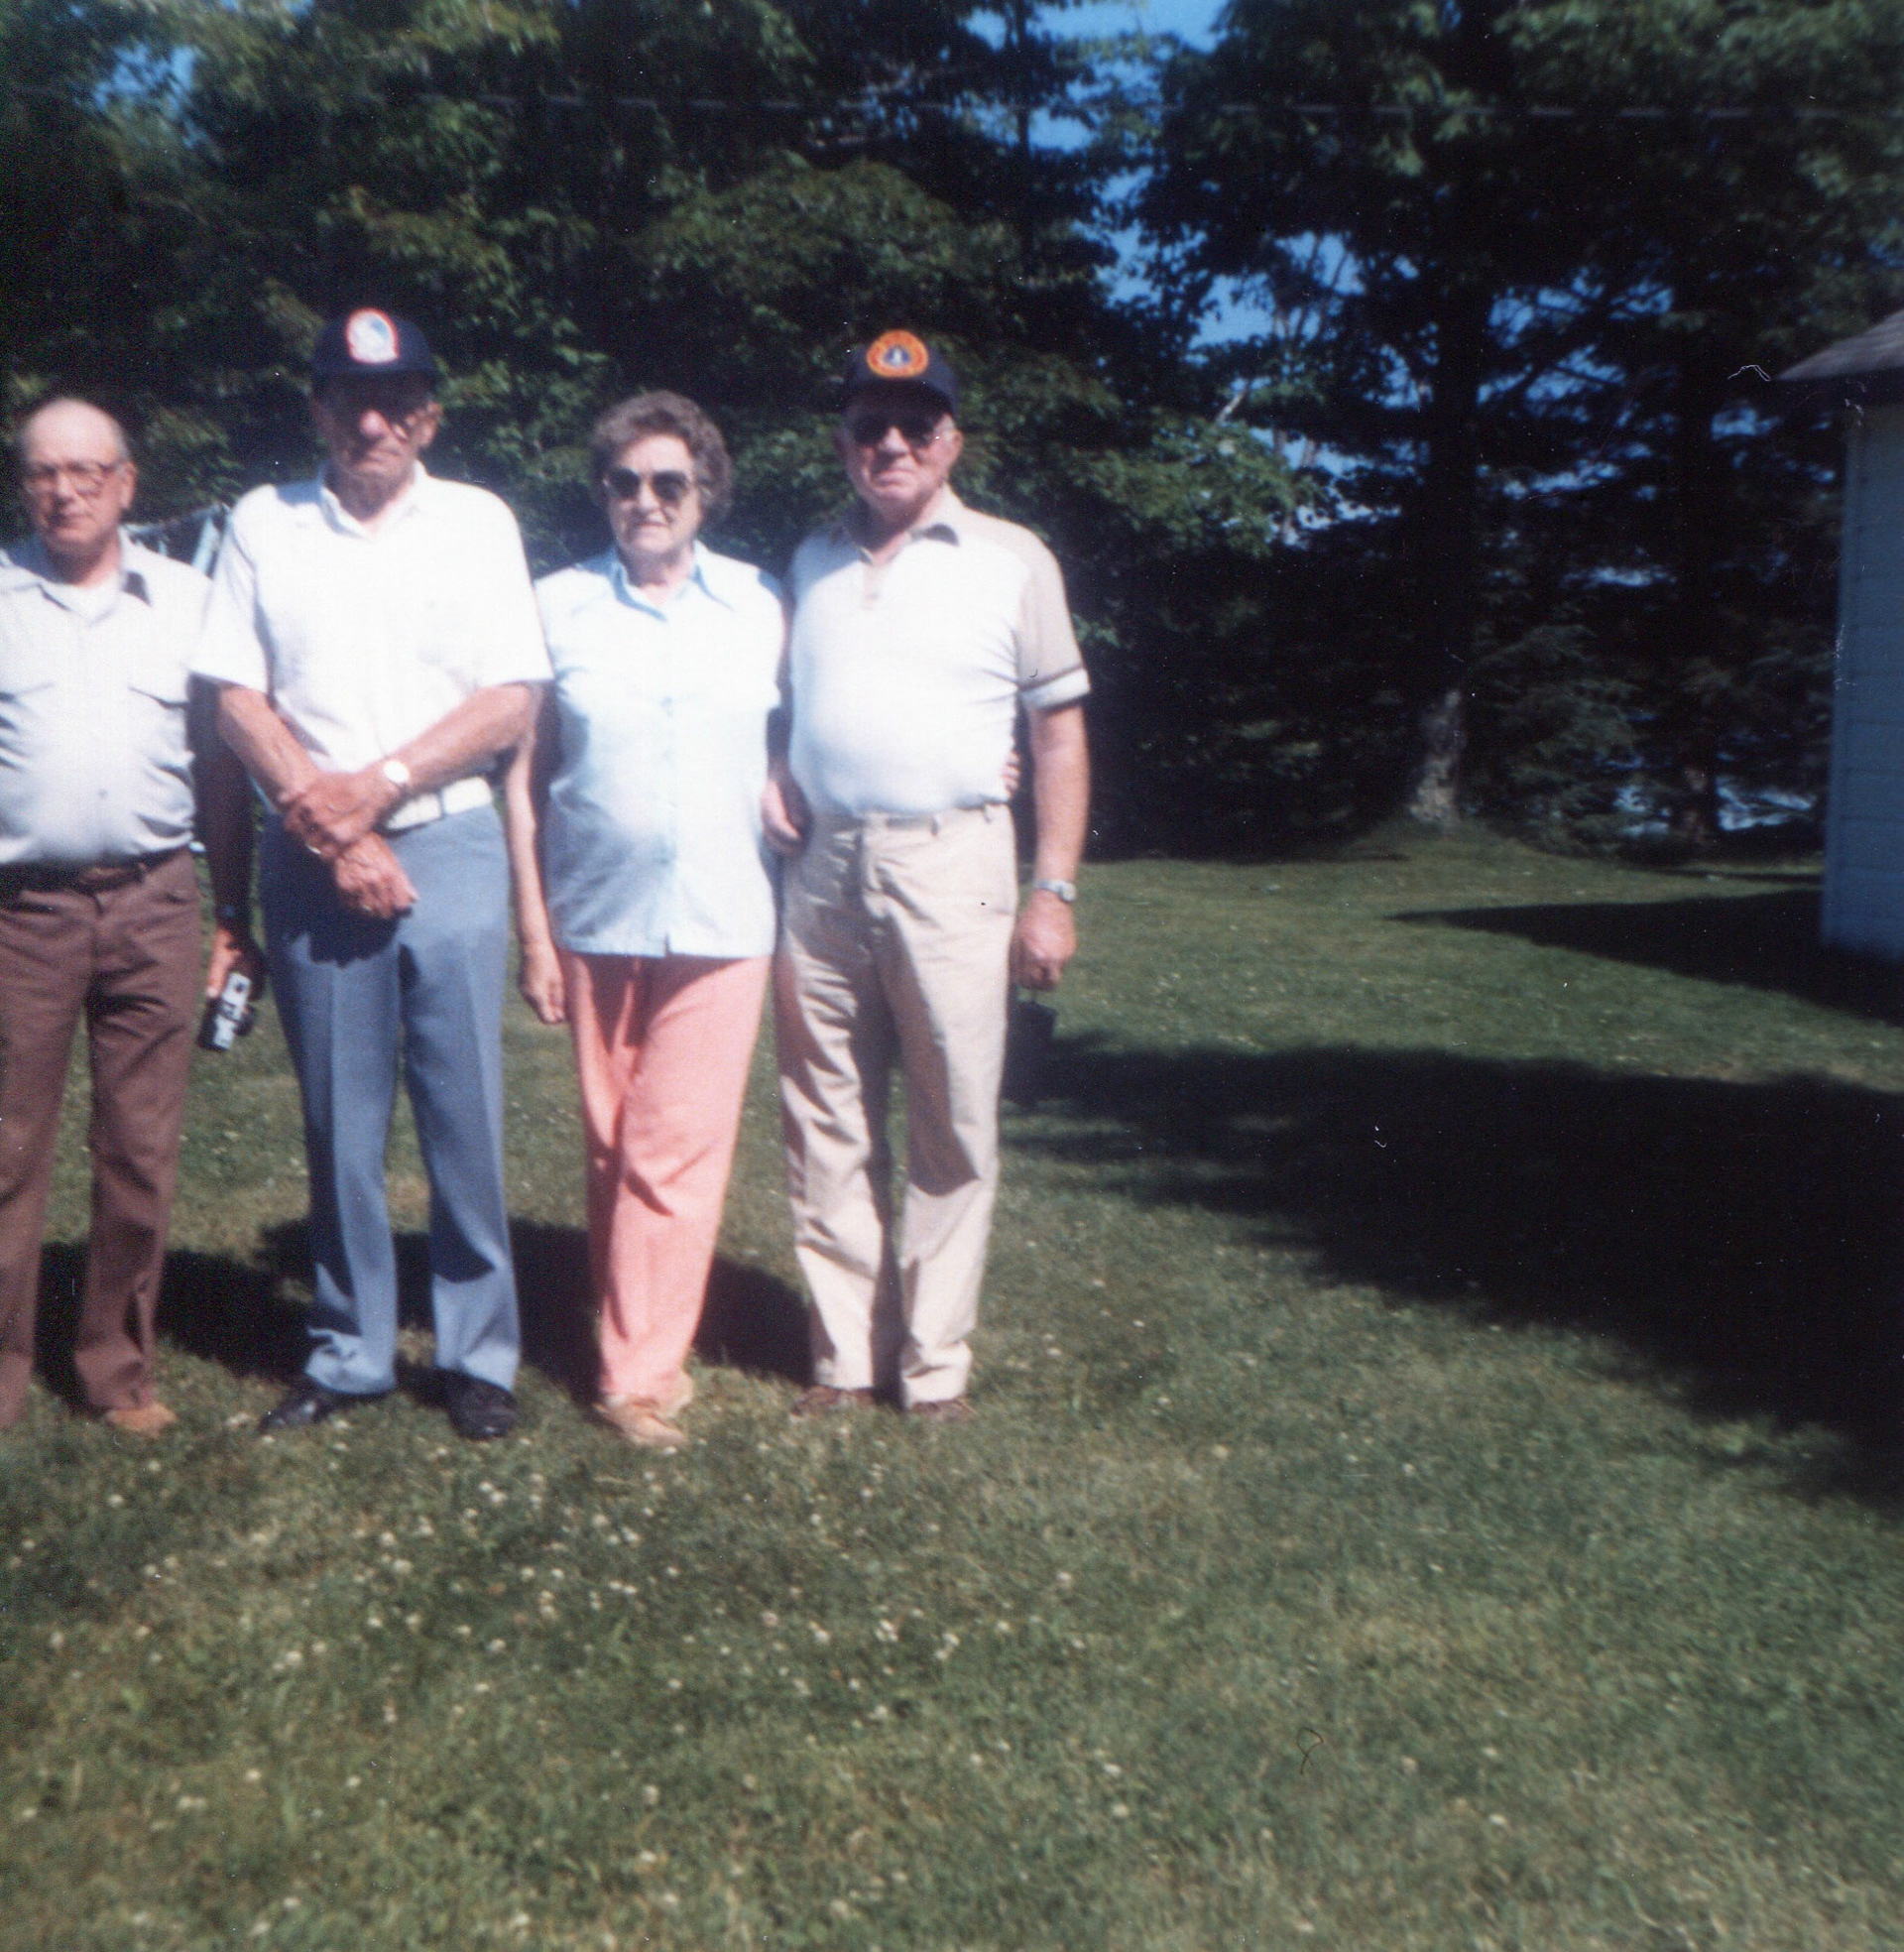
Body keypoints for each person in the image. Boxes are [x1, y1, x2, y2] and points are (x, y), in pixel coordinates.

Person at [194, 309, 550, 1441]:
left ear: (430, 413)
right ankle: (348, 1350)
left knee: (465, 1112)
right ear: (318, 409)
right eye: (349, 398)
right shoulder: (263, 523)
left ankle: (478, 1354)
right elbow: (234, 698)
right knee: (339, 1123)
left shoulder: (480, 522)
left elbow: (511, 699)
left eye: (396, 399)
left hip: (448, 839)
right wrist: (337, 831)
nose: (374, 419)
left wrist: (383, 789)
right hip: (311, 853)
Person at [764, 331, 1091, 1421]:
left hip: (957, 863)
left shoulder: (1014, 558)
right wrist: (774, 766)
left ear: (951, 440)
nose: (890, 444)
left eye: (915, 426)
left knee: (954, 1118)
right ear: (844, 442)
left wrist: (1054, 891)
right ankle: (844, 1361)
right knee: (825, 1115)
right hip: (822, 869)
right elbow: (773, 704)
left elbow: (1056, 738)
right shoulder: (806, 560)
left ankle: (935, 1367)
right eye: (870, 427)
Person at [504, 393, 783, 1451]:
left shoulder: (761, 603)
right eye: (624, 483)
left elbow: (810, 723)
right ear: (603, 495)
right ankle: (637, 1325)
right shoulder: (556, 605)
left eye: (668, 482)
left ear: (704, 489)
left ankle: (637, 1374)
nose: (646, 501)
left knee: (672, 1149)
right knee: (615, 1148)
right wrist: (534, 928)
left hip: (723, 919)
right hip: (593, 915)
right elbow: (523, 780)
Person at [0, 397, 261, 1435]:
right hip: (23, 912)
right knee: (7, 1150)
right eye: (40, 473)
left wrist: (230, 912)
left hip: (157, 899)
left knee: (140, 1150)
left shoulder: (191, 603)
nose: (62, 490)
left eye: (83, 471)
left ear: (126, 483)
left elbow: (225, 777)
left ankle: (115, 1371)